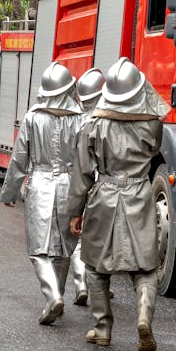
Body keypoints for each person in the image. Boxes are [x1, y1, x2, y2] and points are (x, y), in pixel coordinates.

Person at [68, 58, 167, 351]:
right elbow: (153, 152)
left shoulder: (94, 123)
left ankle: (102, 328)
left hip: (104, 195)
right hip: (140, 192)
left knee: (96, 266)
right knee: (145, 266)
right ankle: (143, 318)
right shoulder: (153, 123)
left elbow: (83, 171)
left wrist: (76, 210)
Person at [0, 63, 83, 325]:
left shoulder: (33, 117)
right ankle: (56, 295)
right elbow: (86, 161)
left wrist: (9, 192)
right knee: (64, 249)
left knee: (39, 250)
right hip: (70, 184)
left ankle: (53, 297)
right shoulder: (81, 118)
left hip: (40, 183)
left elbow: (19, 158)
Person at [64, 67, 105, 307]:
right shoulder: (108, 120)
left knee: (80, 239)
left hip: (83, 182)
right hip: (106, 188)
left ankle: (83, 284)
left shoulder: (78, 121)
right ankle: (98, 284)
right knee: (102, 238)